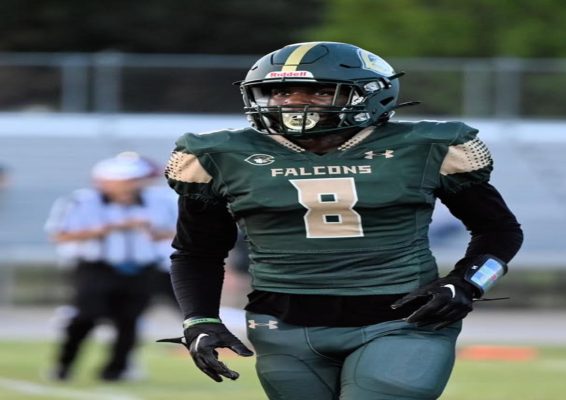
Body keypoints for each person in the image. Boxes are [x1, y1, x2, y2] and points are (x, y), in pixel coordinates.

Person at [160, 42, 523, 399]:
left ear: (369, 95)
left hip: (402, 321)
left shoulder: (425, 147)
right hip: (282, 326)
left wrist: (469, 283)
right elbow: (196, 252)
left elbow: (499, 231)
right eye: (280, 92)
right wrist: (199, 319)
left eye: (317, 92)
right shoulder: (221, 155)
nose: (292, 104)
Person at [45, 153, 177, 381]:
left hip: (142, 269)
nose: (131, 186)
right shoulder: (82, 201)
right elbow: (61, 235)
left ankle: (115, 371)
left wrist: (152, 231)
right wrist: (112, 228)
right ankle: (64, 365)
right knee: (86, 316)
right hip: (97, 267)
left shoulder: (159, 200)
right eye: (125, 181)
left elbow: (176, 232)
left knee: (129, 320)